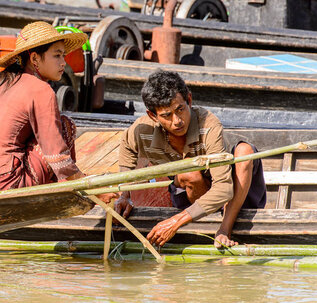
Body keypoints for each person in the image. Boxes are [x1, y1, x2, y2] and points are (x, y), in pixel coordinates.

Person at [0, 21, 116, 202]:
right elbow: (56, 155)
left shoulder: (1, 80)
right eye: (57, 56)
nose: (63, 63)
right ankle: (70, 188)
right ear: (34, 59)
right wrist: (91, 189)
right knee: (66, 126)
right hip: (5, 185)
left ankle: (65, 182)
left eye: (63, 56)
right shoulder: (42, 90)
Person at [114, 70, 266, 248]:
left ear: (189, 100)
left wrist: (175, 222)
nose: (177, 121)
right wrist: (125, 195)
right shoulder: (141, 129)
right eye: (166, 115)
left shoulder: (208, 124)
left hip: (231, 199)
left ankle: (224, 229)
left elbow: (224, 189)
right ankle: (200, 218)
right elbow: (127, 151)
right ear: (153, 116)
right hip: (190, 193)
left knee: (245, 152)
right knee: (189, 174)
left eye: (180, 109)